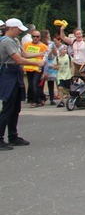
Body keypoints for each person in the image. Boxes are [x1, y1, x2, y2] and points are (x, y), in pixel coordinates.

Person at [0, 19, 46, 150]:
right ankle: (0, 139)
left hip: (15, 73)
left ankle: (13, 136)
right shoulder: (6, 41)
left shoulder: (14, 40)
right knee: (8, 108)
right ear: (11, 28)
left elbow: (23, 53)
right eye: (18, 29)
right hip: (9, 73)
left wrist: (40, 54)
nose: (20, 31)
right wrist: (37, 63)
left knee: (15, 108)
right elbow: (18, 59)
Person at [22, 30, 46, 107]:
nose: (35, 38)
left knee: (35, 84)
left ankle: (36, 101)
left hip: (38, 67)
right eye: (33, 36)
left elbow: (45, 59)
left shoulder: (43, 46)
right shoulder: (26, 45)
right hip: (29, 67)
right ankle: (42, 97)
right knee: (31, 85)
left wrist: (45, 70)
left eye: (37, 36)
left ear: (40, 37)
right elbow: (24, 55)